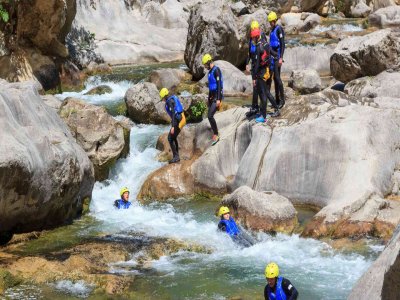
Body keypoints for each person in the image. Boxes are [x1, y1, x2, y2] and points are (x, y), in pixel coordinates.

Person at [250, 28, 280, 123]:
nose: (252, 40)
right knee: (266, 92)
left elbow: (257, 64)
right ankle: (276, 109)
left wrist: (254, 77)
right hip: (267, 71)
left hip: (260, 74)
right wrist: (278, 57)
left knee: (263, 94)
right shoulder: (266, 44)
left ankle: (263, 116)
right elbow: (273, 53)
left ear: (255, 37)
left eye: (252, 38)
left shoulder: (258, 48)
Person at [245, 20, 268, 119]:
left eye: (254, 29)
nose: (253, 31)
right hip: (254, 65)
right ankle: (255, 106)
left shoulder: (261, 37)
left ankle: (262, 110)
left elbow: (266, 51)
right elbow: (249, 53)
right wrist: (247, 63)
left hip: (260, 67)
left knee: (260, 88)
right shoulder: (251, 39)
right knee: (255, 87)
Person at [159, 87, 186, 164]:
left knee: (170, 138)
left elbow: (173, 113)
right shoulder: (171, 99)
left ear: (164, 96)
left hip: (178, 120)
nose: (162, 100)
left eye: (162, 98)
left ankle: (176, 157)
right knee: (173, 137)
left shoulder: (169, 102)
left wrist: (173, 126)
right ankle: (176, 155)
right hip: (180, 118)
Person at [202, 53, 223, 145]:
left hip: (217, 96)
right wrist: (209, 99)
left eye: (205, 64)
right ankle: (215, 131)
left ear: (208, 62)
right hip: (212, 96)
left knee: (210, 116)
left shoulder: (216, 70)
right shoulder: (210, 72)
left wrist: (218, 99)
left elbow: (218, 85)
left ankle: (216, 134)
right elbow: (211, 87)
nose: (205, 66)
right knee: (209, 115)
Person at [267, 11, 285, 109]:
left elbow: (283, 44)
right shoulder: (271, 30)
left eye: (272, 22)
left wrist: (281, 57)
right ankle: (277, 99)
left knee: (277, 78)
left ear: (275, 20)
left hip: (277, 57)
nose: (271, 23)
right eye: (270, 22)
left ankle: (282, 100)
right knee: (274, 78)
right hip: (272, 57)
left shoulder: (279, 29)